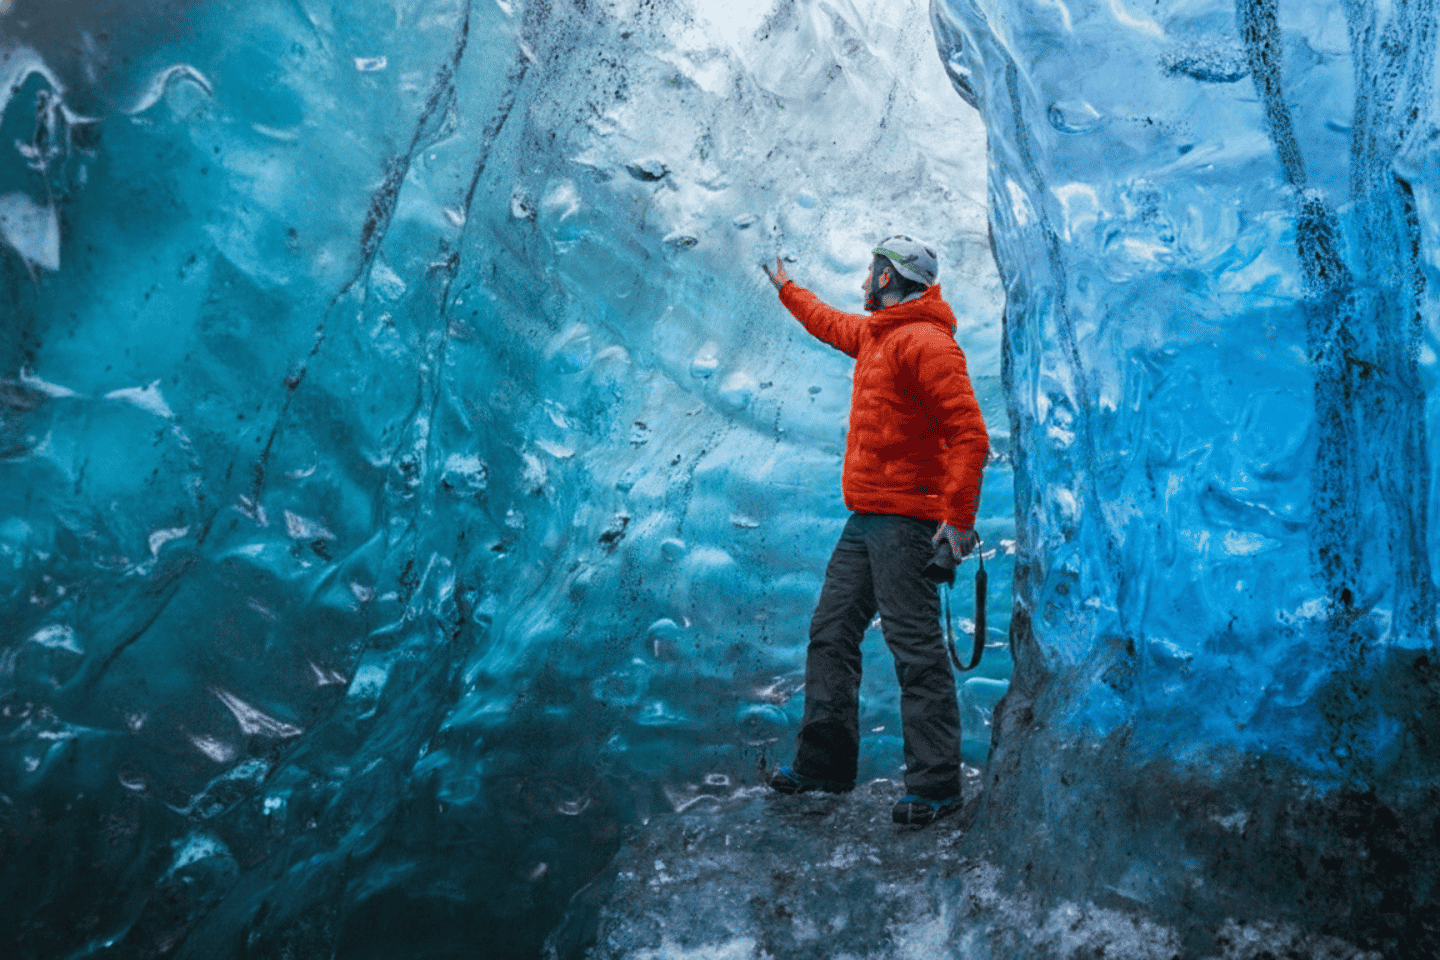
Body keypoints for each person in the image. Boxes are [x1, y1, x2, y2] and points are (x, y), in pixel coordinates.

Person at [760, 235, 988, 827]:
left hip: (907, 523)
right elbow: (829, 322)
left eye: (871, 271)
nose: (864, 281)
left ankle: (936, 787)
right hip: (866, 519)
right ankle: (824, 768)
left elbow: (970, 436)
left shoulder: (927, 343)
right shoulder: (878, 336)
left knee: (915, 650)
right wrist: (787, 289)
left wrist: (958, 520)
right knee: (831, 633)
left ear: (888, 277)